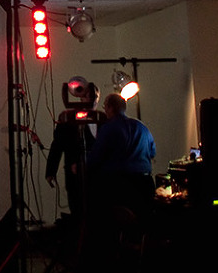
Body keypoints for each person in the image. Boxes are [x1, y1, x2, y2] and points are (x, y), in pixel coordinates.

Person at [86, 92, 156, 221]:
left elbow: (96, 157)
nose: (104, 110)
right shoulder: (142, 127)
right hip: (146, 184)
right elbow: (152, 153)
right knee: (144, 223)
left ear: (110, 108)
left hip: (120, 187)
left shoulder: (108, 129)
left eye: (105, 106)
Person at [45, 82, 104, 222]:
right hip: (74, 175)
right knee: (77, 210)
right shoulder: (69, 118)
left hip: (97, 176)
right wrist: (51, 171)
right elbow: (57, 145)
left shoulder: (102, 119)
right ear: (81, 98)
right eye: (88, 96)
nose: (92, 100)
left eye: (95, 97)